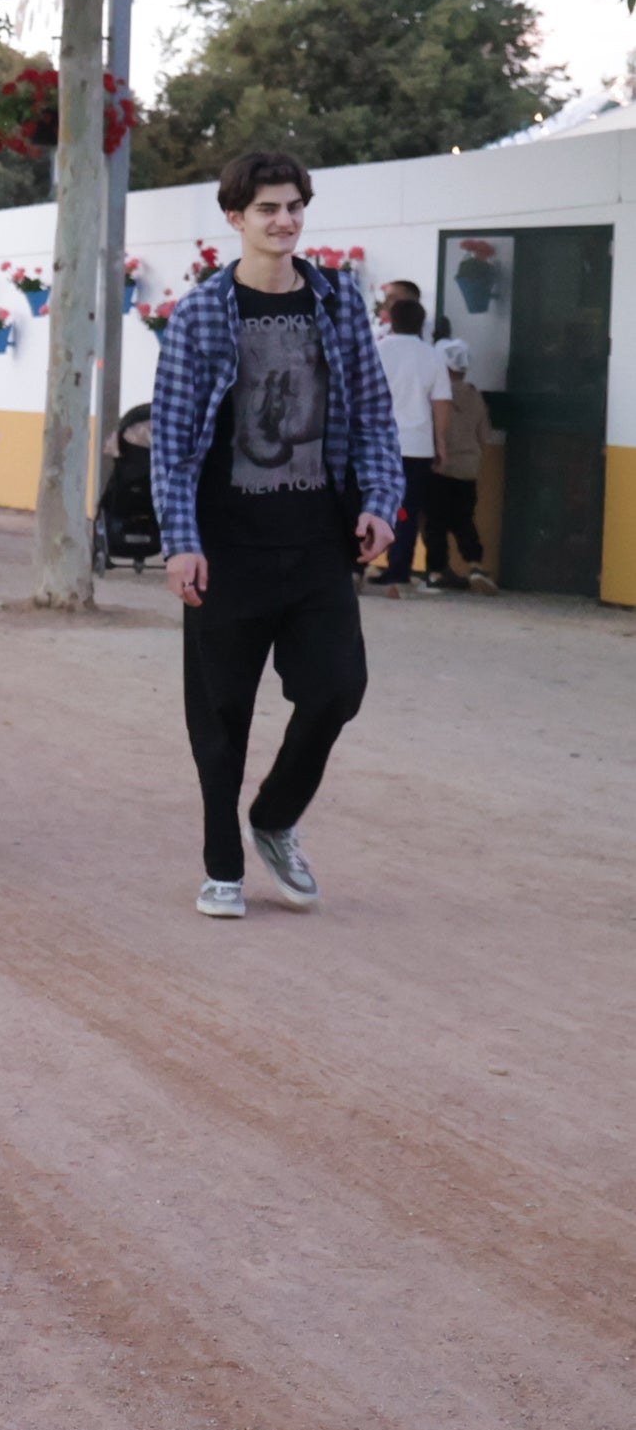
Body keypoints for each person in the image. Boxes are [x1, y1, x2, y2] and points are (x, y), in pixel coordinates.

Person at [153, 150, 399, 918]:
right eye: (267, 209)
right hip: (226, 549)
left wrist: (382, 499)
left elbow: (373, 410)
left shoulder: (336, 301)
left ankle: (274, 817)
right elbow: (172, 439)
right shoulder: (199, 313)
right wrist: (181, 540)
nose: (284, 220)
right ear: (237, 219)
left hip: (318, 540)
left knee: (338, 689)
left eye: (294, 206)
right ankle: (222, 863)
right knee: (220, 716)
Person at [370, 295, 453, 594]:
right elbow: (441, 403)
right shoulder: (431, 356)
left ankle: (355, 571)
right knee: (406, 510)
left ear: (391, 320)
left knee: (367, 505)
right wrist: (441, 443)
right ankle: (398, 576)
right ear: (421, 324)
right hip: (417, 446)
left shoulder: (376, 351)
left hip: (376, 443)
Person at [425, 337, 498, 592]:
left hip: (439, 469)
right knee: (464, 520)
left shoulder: (436, 396)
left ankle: (437, 570)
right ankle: (476, 565)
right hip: (468, 470)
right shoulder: (475, 397)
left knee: (434, 521)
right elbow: (484, 435)